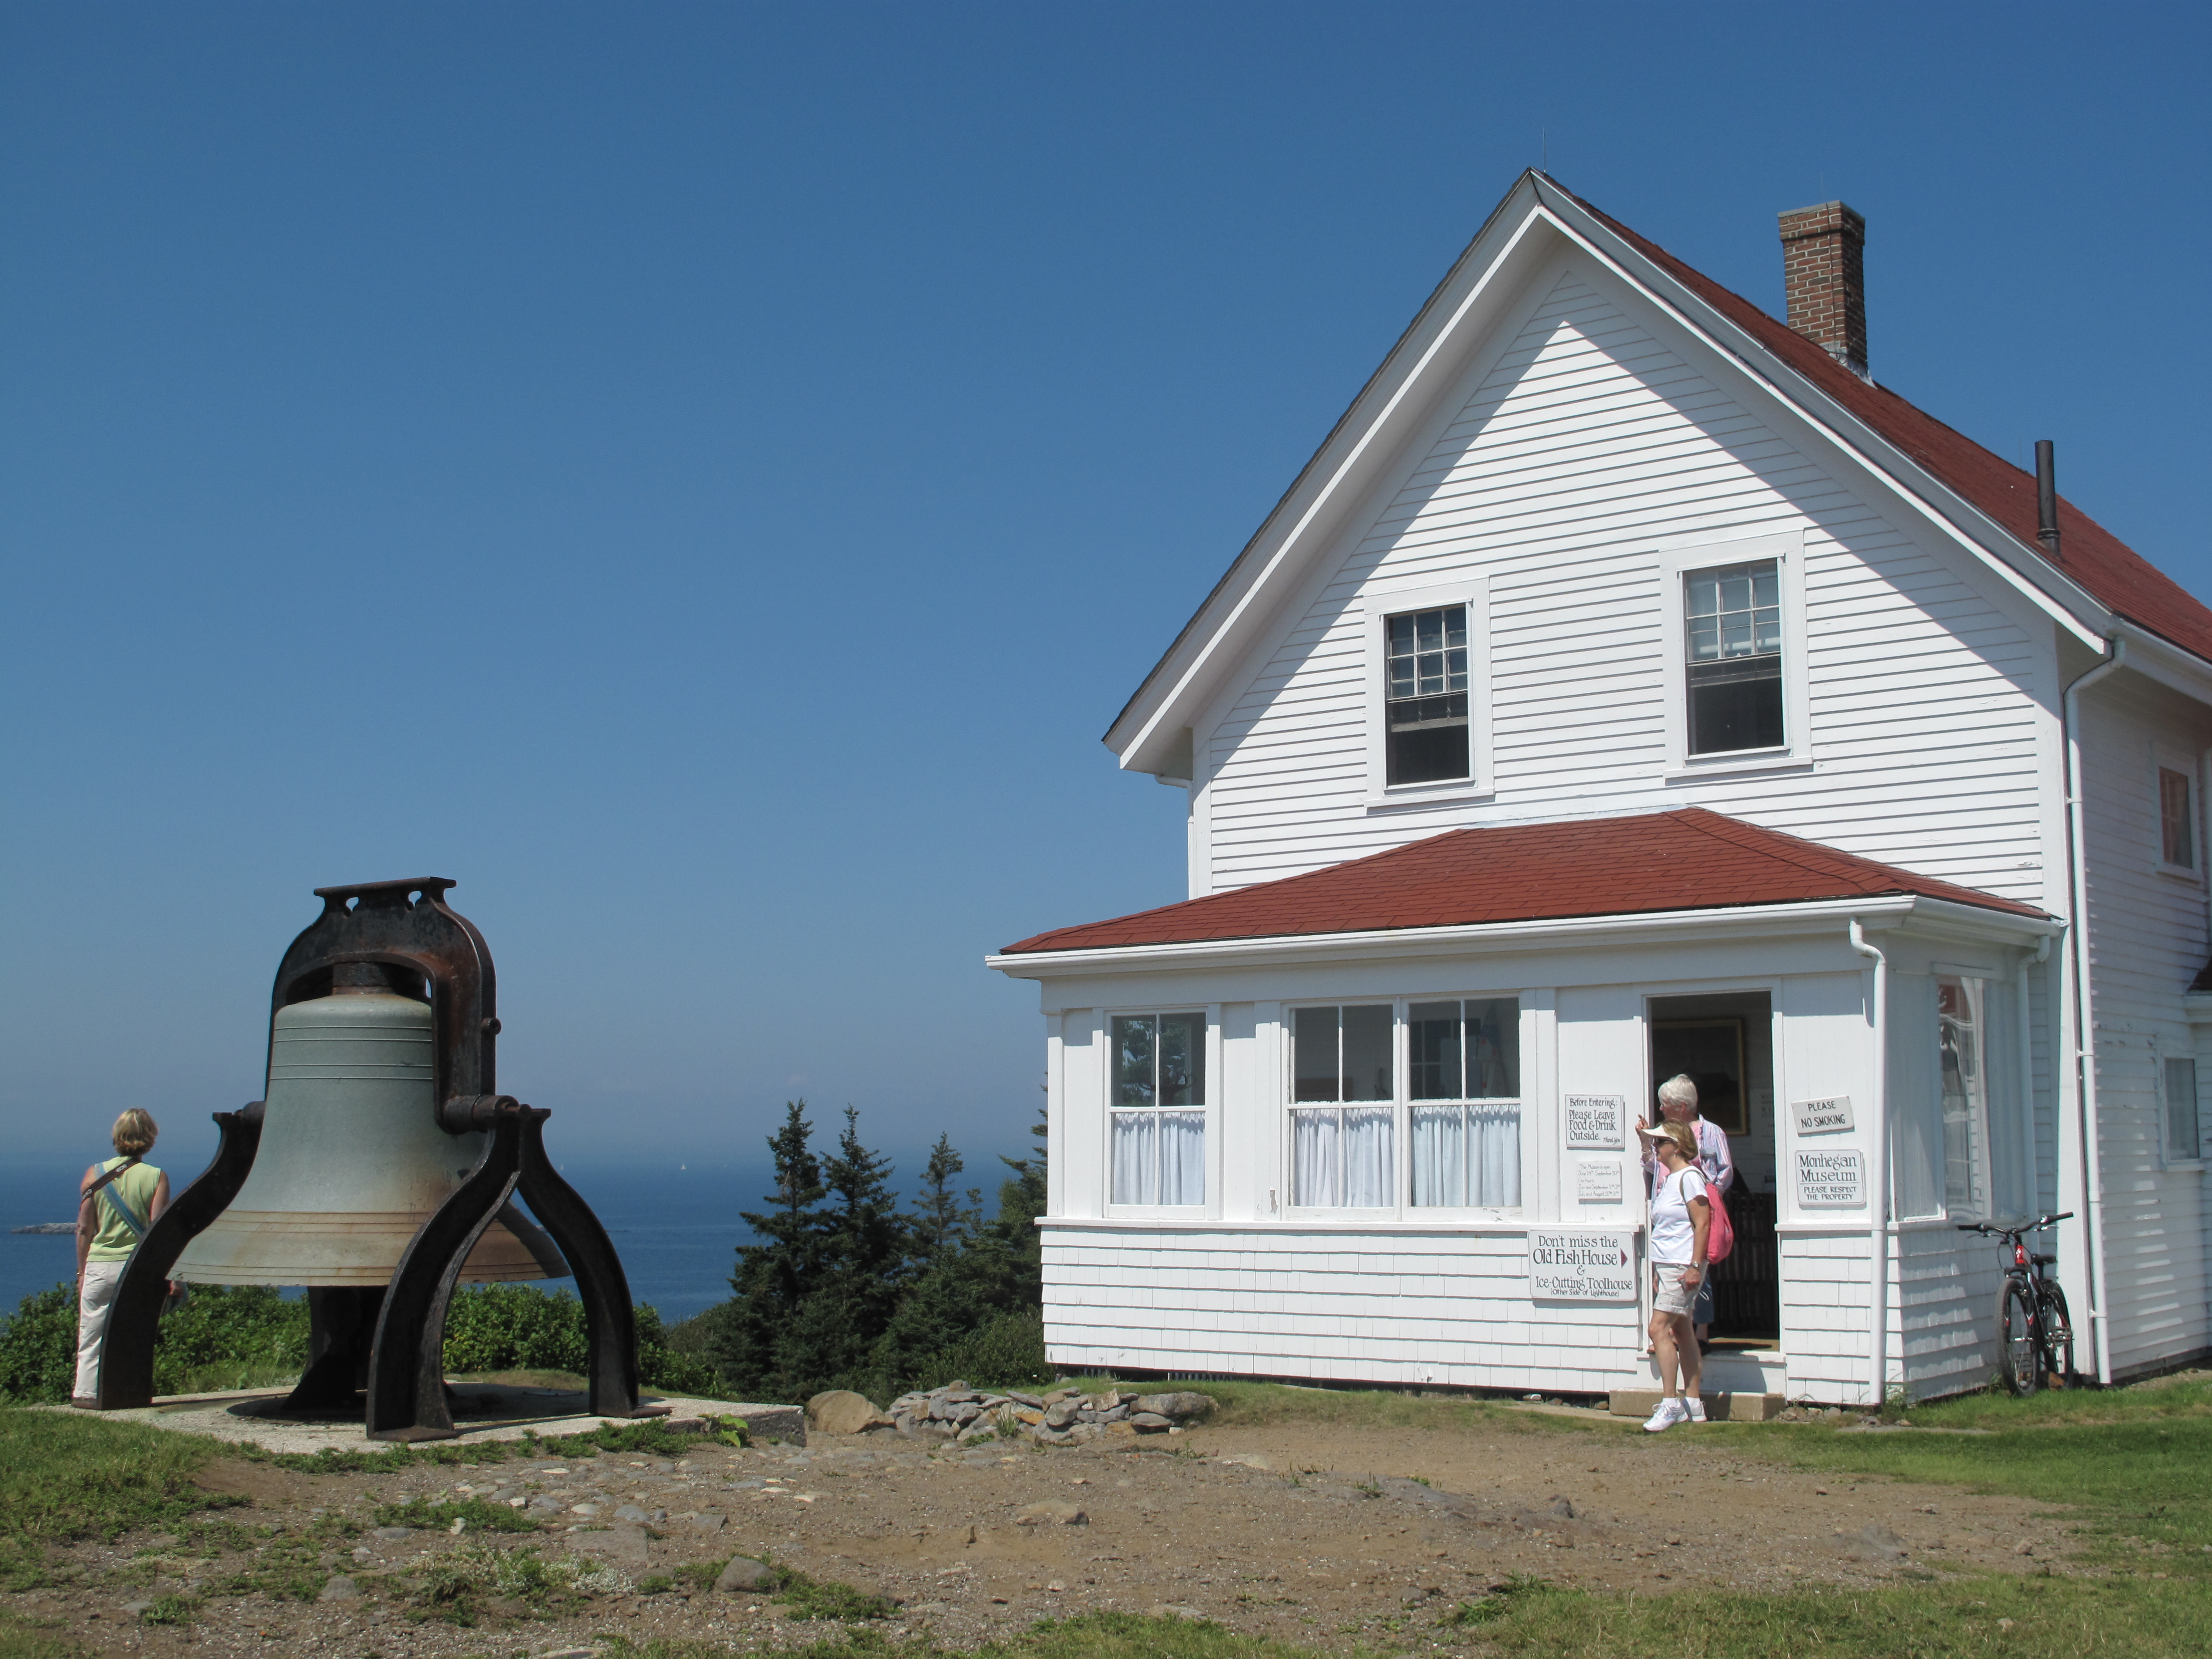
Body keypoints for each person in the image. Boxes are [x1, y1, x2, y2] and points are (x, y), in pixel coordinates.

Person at [73, 1109, 172, 1407]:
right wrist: (168, 1277)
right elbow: (158, 1233)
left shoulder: (95, 1175)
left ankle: (86, 1395)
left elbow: (83, 1229)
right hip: (135, 1269)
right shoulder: (157, 1177)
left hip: (100, 1266)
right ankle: (129, 1392)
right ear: (150, 1139)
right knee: (134, 1334)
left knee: (91, 1333)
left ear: (117, 1137)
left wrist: (81, 1273)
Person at [1637, 1073, 1733, 1344]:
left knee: (1699, 1264)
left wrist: (1705, 1193)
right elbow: (1653, 1167)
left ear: (1681, 1106)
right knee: (1670, 1270)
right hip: (1669, 1210)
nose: (1661, 1109)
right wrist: (1647, 1141)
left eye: (1665, 1103)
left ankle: (1700, 1331)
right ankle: (1677, 1332)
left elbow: (1725, 1171)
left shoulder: (1711, 1132)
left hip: (1696, 1207)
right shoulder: (1665, 1135)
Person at [1638, 1119, 1711, 1432]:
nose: (1657, 1147)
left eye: (1661, 1142)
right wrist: (1657, 1268)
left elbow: (1703, 1223)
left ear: (1677, 1146)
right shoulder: (1669, 1179)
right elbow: (1666, 1229)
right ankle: (1693, 1403)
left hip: (1684, 1266)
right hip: (1669, 1265)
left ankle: (1671, 1404)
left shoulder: (1690, 1178)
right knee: (1682, 1330)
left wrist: (1696, 1266)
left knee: (1658, 1328)